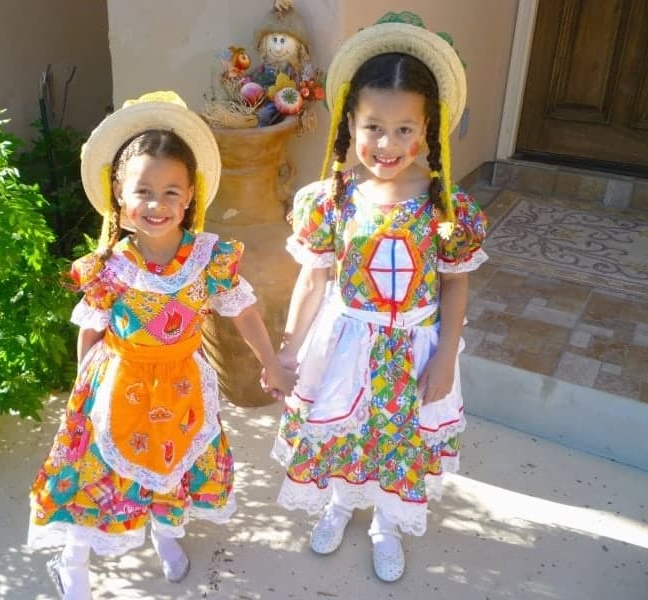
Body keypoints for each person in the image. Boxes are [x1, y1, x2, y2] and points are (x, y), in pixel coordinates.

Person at [27, 90, 295, 599]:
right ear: (120, 196)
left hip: (181, 388)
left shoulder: (207, 258)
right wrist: (81, 391)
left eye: (172, 191)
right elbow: (92, 327)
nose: (157, 204)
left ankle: (165, 532)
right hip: (118, 386)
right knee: (93, 472)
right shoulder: (109, 267)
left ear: (191, 195)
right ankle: (74, 561)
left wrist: (272, 365)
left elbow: (244, 313)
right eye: (144, 191)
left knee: (174, 466)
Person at [271, 12, 488, 583]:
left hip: (413, 349)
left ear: (428, 130)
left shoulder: (445, 207)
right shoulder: (332, 199)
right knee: (344, 429)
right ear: (350, 123)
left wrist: (445, 355)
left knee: (398, 439)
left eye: (404, 129)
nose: (386, 145)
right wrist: (290, 350)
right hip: (344, 342)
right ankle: (340, 504)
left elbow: (455, 282)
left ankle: (386, 524)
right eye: (372, 127)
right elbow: (314, 279)